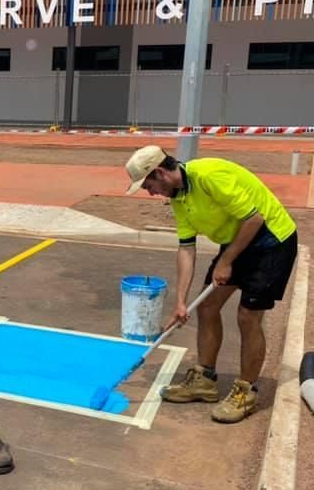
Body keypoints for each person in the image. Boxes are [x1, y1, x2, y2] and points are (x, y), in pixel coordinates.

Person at [124, 145, 298, 423]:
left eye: (148, 185)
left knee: (248, 317)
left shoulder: (208, 176)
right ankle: (204, 381)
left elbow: (254, 218)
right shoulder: (178, 198)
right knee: (206, 307)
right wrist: (181, 301)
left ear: (160, 172)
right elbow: (186, 249)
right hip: (238, 240)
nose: (150, 192)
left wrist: (226, 261)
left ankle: (246, 391)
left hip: (271, 241)